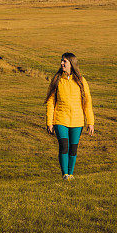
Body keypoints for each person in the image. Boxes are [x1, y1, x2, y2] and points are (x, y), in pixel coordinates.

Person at [45, 52, 94, 181]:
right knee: (64, 146)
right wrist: (49, 122)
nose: (62, 63)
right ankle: (64, 174)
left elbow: (87, 102)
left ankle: (71, 174)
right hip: (60, 119)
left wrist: (90, 122)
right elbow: (50, 102)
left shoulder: (81, 81)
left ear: (71, 64)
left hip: (77, 121)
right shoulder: (57, 80)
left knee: (73, 148)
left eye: (64, 61)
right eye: (61, 61)